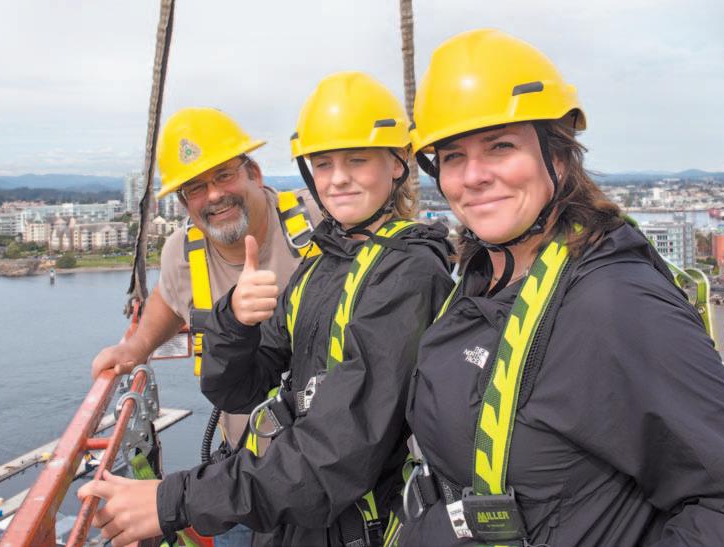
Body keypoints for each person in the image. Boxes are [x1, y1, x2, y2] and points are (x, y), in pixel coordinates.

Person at [79, 72, 454, 546]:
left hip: (327, 506)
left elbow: (339, 451)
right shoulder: (326, 257)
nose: (338, 179)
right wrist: (232, 321)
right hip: (270, 489)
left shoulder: (400, 269)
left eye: (357, 160)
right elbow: (236, 390)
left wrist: (173, 500)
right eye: (323, 164)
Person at [396, 29, 724, 546]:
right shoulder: (484, 276)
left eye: (501, 146)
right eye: (452, 157)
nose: (473, 176)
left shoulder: (615, 302)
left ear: (557, 157)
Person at [89, 107, 322, 547]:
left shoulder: (318, 222)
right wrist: (136, 347)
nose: (213, 195)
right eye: (195, 187)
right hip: (246, 471)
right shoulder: (185, 252)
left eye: (223, 176)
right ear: (183, 204)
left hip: (326, 465)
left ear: (254, 173)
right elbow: (168, 299)